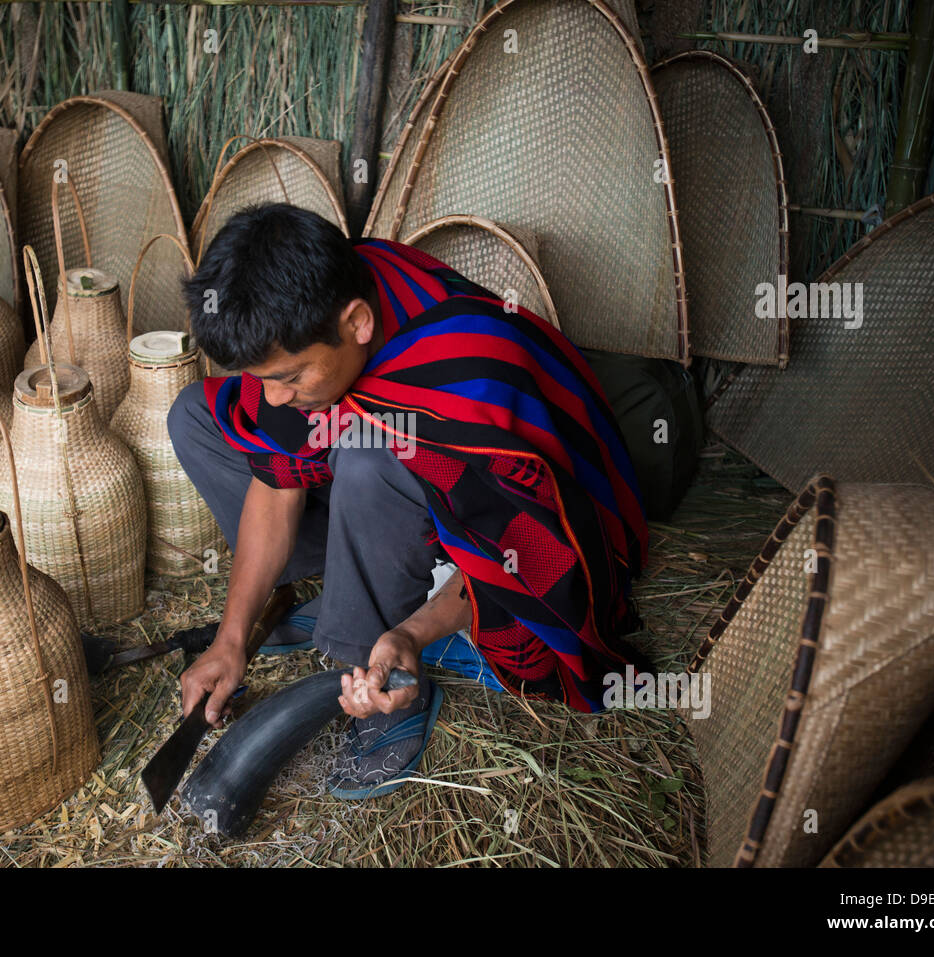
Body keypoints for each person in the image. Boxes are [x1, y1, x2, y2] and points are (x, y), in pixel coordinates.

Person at [168, 203, 650, 798]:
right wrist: (230, 640)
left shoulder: (464, 368)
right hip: (394, 499)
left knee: (371, 454)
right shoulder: (311, 313)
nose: (273, 396)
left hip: (495, 527)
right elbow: (276, 482)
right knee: (194, 413)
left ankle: (378, 682)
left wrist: (411, 636)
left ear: (358, 322)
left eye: (290, 377)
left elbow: (520, 549)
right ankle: (351, 583)